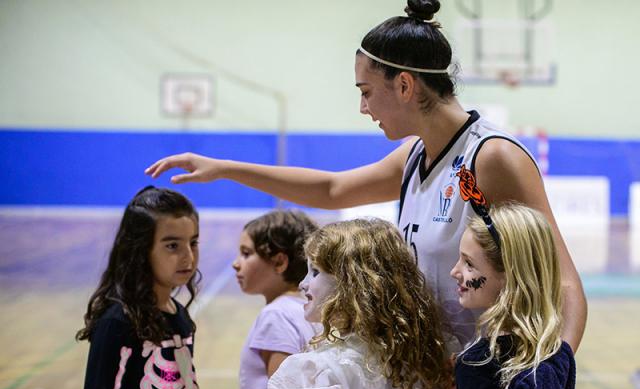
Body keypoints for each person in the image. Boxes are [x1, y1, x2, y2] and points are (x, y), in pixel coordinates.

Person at [145, 0, 586, 354]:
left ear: (406, 86)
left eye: (366, 92)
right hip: (436, 379)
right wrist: (225, 169)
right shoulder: (415, 155)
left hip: (493, 377)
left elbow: (562, 280)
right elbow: (332, 188)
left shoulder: (492, 157)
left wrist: (554, 373)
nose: (363, 108)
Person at [267, 218, 454, 389]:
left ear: (354, 283)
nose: (303, 284)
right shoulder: (411, 355)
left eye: (315, 271)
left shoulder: (320, 371)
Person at [77, 186, 226, 389]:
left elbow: (186, 384)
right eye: (172, 245)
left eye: (193, 243)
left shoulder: (179, 315)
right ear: (141, 249)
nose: (187, 256)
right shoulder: (118, 321)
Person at [439, 202, 577, 389]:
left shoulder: (477, 363)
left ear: (507, 276)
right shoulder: (558, 352)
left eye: (468, 263)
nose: (455, 271)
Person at [224, 210, 318, 389]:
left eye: (246, 253)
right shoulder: (309, 308)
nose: (235, 263)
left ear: (279, 262)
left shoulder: (276, 315)